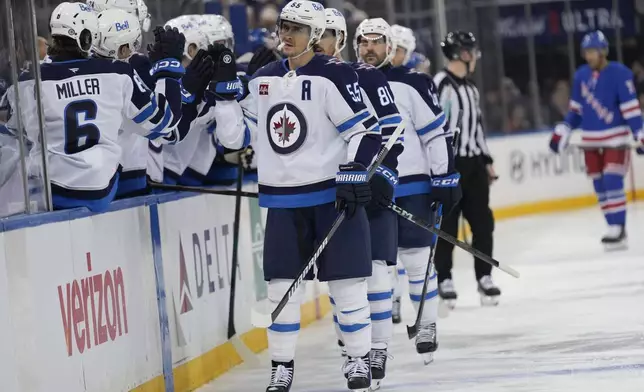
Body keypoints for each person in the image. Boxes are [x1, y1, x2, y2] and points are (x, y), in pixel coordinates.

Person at [240, 1, 383, 390]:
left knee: (347, 284)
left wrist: (354, 171)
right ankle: (281, 366)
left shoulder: (334, 76)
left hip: (329, 199)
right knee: (280, 290)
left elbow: (366, 133)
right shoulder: (264, 78)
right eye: (284, 26)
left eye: (297, 29)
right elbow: (234, 138)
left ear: (316, 36)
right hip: (283, 202)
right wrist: (222, 97)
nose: (286, 34)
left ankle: (357, 360)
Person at [355, 18, 461, 364]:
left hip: (411, 185)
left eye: (377, 42)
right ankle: (376, 345)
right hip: (367, 189)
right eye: (363, 42)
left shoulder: (413, 82)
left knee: (416, 261)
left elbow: (434, 134)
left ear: (390, 47)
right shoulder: (348, 82)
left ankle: (426, 323)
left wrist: (443, 177)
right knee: (376, 269)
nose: (369, 49)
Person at [23, 2, 187, 212]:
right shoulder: (117, 72)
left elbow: (14, 132)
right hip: (100, 191)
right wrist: (168, 69)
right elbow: (166, 123)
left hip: (51, 193)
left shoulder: (30, 78)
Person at [315, 8, 404, 390]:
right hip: (334, 193)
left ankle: (378, 347)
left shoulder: (365, 77)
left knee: (378, 273)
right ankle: (354, 352)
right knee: (343, 278)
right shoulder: (304, 79)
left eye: (329, 35)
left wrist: (382, 175)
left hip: (368, 188)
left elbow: (393, 133)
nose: (323, 43)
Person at [549, 30, 644, 249]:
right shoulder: (581, 75)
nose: (589, 56)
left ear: (603, 51)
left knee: (612, 179)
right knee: (599, 184)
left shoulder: (620, 73)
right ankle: (612, 226)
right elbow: (576, 110)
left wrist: (639, 132)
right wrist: (564, 129)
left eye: (593, 51)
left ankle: (618, 227)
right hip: (590, 139)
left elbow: (630, 109)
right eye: (586, 52)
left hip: (615, 139)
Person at [433, 31, 499, 309]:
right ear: (461, 53)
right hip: (450, 164)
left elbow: (479, 126)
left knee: (482, 222)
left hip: (473, 165)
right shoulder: (439, 84)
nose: (474, 56)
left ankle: (484, 276)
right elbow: (433, 125)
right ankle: (444, 278)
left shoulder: (471, 88)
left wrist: (487, 160)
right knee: (448, 223)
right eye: (470, 50)